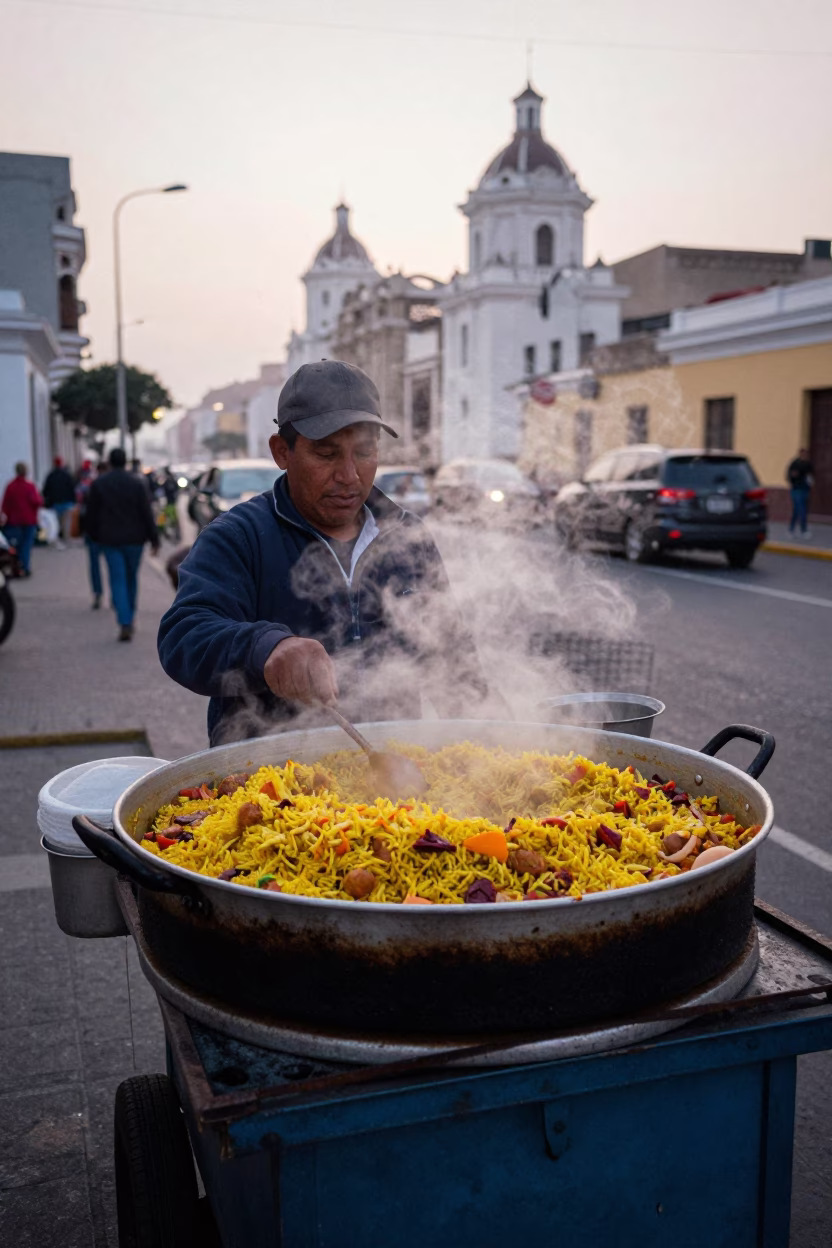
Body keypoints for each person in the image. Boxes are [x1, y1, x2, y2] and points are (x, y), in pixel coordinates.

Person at [158, 360, 489, 745]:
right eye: (327, 454)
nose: (349, 475)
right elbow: (184, 634)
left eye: (364, 452)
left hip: (392, 774)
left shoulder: (406, 534)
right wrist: (266, 648)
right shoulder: (238, 535)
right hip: (270, 783)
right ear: (282, 452)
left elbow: (450, 651)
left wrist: (486, 734)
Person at [86, 447, 159, 640]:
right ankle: (130, 615)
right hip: (135, 540)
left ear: (109, 462)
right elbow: (146, 513)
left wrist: (94, 537)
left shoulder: (100, 484)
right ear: (125, 462)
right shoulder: (137, 483)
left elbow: (91, 515)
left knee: (117, 579)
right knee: (131, 578)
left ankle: (124, 619)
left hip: (110, 540)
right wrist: (154, 539)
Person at [1, 462, 43, 576]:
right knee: (26, 545)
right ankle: (24, 567)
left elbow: (5, 504)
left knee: (16, 545)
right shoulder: (30, 486)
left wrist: (4, 516)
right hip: (29, 520)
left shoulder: (10, 486)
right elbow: (37, 502)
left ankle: (17, 566)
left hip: (14, 521)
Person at [78, 461, 106, 608]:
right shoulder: (114, 487)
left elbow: (87, 511)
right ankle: (117, 599)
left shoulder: (93, 486)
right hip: (111, 535)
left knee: (95, 566)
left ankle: (97, 594)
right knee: (115, 568)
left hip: (94, 533)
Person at [42, 456, 76, 547]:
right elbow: (72, 489)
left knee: (55, 523)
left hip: (55, 503)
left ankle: (56, 540)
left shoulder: (51, 475)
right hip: (67, 503)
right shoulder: (67, 475)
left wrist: (47, 501)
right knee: (66, 524)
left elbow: (45, 490)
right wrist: (73, 501)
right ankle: (66, 540)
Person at [786, 448, 813, 538]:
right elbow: (789, 476)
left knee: (798, 510)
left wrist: (810, 484)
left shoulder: (808, 464)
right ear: (800, 454)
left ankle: (792, 529)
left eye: (806, 454)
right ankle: (802, 530)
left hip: (805, 489)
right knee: (801, 509)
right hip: (796, 489)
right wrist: (794, 478)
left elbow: (811, 475)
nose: (805, 455)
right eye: (803, 454)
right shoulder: (795, 464)